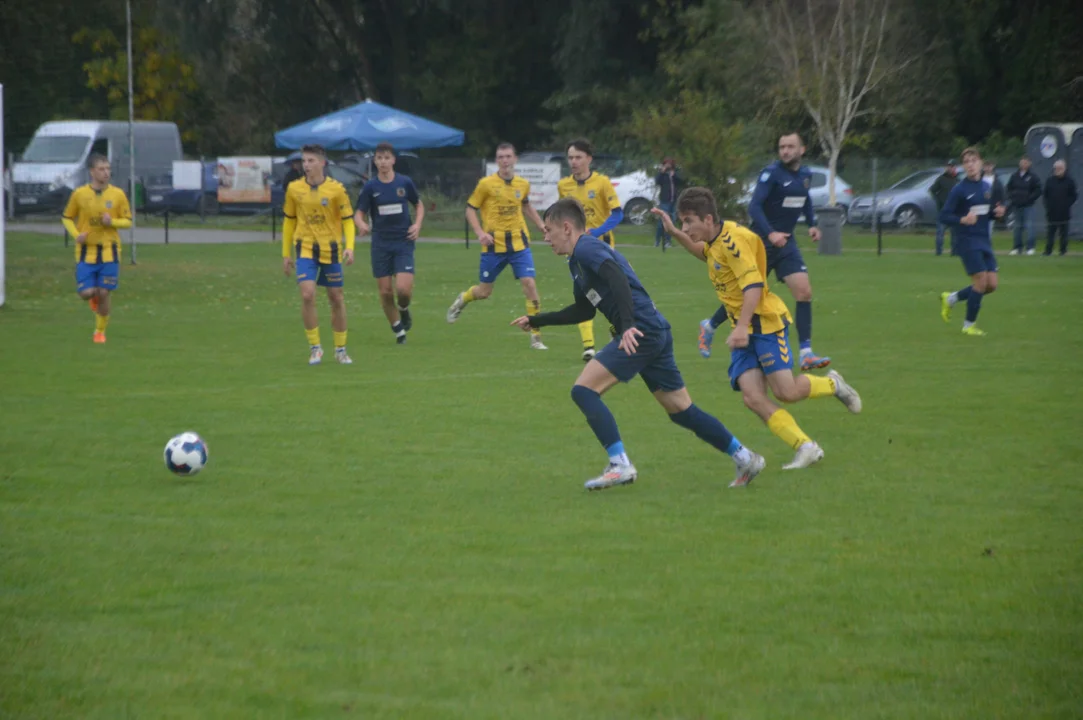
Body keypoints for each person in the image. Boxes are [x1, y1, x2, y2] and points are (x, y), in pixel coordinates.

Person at [510, 197, 765, 490]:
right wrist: (538, 320)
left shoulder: (587, 247)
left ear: (567, 227)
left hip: (641, 330)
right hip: (653, 330)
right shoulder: (577, 261)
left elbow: (616, 277)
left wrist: (629, 325)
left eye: (548, 230)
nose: (545, 237)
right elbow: (584, 310)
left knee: (583, 390)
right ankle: (745, 457)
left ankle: (620, 464)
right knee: (682, 411)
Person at [653, 189, 862, 470]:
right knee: (752, 398)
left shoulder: (734, 241)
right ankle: (806, 446)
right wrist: (675, 233)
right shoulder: (714, 240)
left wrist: (740, 328)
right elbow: (704, 253)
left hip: (763, 324)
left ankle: (833, 384)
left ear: (707, 218)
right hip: (743, 330)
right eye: (682, 222)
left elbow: (753, 286)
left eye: (688, 222)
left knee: (785, 392)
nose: (685, 227)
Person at [699, 132, 829, 371]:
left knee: (804, 291)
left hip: (786, 243)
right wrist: (770, 233)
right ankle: (709, 325)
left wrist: (811, 224)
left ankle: (807, 353)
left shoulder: (805, 175)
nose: (785, 151)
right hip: (761, 242)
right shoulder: (771, 174)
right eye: (782, 147)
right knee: (747, 295)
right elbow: (754, 206)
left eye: (790, 146)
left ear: (802, 149)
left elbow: (805, 200)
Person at [446, 144, 548, 349]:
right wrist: (480, 233)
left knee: (529, 284)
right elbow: (470, 209)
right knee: (484, 292)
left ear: (515, 159)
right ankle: (463, 299)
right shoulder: (486, 184)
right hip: (494, 245)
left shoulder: (522, 183)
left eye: (508, 156)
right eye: (500, 157)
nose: (505, 160)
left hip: (519, 243)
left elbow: (526, 205)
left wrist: (542, 226)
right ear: (496, 160)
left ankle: (536, 336)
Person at [281, 144, 356, 364]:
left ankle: (340, 350)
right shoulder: (294, 189)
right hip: (305, 248)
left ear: (322, 163)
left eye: (311, 161)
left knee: (336, 298)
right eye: (304, 161)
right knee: (307, 294)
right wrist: (286, 254)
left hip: (331, 250)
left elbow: (348, 221)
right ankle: (315, 348)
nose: (306, 165)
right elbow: (288, 221)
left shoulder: (337, 190)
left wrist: (349, 247)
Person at [557, 138, 624, 361]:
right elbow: (562, 216)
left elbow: (617, 214)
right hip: (576, 249)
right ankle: (588, 346)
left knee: (612, 292)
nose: (574, 162)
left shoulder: (602, 183)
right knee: (584, 293)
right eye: (570, 157)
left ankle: (619, 328)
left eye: (578, 157)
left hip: (603, 248)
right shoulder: (564, 186)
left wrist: (595, 232)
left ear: (589, 159)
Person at [354, 142, 424, 344]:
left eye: (386, 158)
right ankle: (399, 332)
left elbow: (419, 205)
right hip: (381, 244)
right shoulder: (370, 187)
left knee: (403, 290)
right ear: (375, 161)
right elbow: (359, 213)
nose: (383, 162)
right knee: (385, 291)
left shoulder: (404, 183)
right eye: (379, 158)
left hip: (403, 242)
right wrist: (362, 224)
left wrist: (417, 225)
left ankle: (403, 309)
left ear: (393, 160)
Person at [61, 153, 132, 344]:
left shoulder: (117, 194)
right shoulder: (79, 194)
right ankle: (93, 299)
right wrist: (77, 235)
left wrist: (113, 222)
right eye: (101, 169)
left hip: (110, 251)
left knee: (104, 292)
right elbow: (66, 217)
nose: (106, 172)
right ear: (92, 172)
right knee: (86, 293)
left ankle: (99, 332)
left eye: (108, 168)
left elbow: (128, 221)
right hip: (86, 251)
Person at [939, 147, 1006, 336]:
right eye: (966, 162)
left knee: (991, 285)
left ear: (980, 163)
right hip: (966, 240)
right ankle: (969, 326)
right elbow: (944, 216)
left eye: (973, 160)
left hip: (984, 240)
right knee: (980, 282)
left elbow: (988, 213)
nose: (970, 164)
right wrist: (962, 220)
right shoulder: (959, 189)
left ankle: (951, 299)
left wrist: (998, 213)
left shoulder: (986, 187)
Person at [1007, 156, 1042, 255]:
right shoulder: (1014, 176)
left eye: (1026, 162)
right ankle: (1017, 248)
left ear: (1029, 164)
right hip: (1017, 205)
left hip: (1028, 206)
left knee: (1030, 226)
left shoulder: (1033, 176)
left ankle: (1030, 247)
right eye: (1022, 162)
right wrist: (1012, 198)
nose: (1023, 164)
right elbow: (1009, 188)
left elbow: (1038, 190)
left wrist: (1029, 199)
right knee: (1017, 227)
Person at [1043, 159, 1078, 256]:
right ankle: (1048, 251)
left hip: (1064, 212)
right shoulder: (1050, 180)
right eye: (1056, 168)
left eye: (1060, 168)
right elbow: (1045, 195)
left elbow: (1074, 195)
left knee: (1064, 233)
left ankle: (1063, 250)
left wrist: (1067, 204)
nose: (1058, 170)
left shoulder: (1070, 181)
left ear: (1064, 169)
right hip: (1052, 212)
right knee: (1050, 233)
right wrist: (1047, 205)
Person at [930, 160, 959, 256]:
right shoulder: (941, 179)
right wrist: (939, 200)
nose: (949, 168)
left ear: (954, 168)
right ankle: (939, 252)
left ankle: (954, 252)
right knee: (940, 233)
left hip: (954, 212)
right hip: (942, 211)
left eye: (951, 166)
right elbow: (932, 190)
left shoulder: (957, 180)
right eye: (948, 166)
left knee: (955, 234)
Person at [654, 157, 682, 249]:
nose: (668, 166)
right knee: (662, 221)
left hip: (673, 201)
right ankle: (657, 240)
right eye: (666, 164)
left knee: (671, 221)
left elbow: (681, 181)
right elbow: (657, 181)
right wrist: (662, 172)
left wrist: (674, 175)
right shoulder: (662, 175)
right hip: (665, 200)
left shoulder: (674, 174)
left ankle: (667, 241)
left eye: (670, 164)